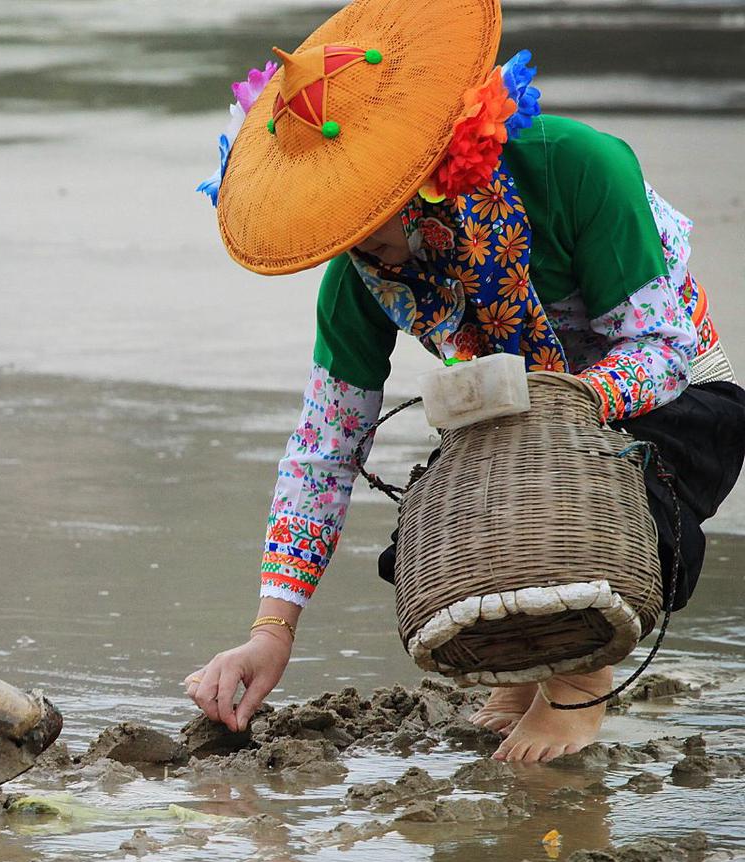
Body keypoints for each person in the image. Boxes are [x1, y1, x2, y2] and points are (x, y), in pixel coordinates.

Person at [186, 0, 741, 764]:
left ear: (429, 170)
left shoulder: (578, 167)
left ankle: (581, 686)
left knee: (577, 483)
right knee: (439, 525)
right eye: (344, 232)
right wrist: (269, 632)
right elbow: (324, 449)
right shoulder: (357, 276)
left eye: (374, 220)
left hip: (666, 404)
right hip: (508, 417)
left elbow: (659, 351)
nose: (368, 253)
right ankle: (526, 667)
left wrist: (567, 406)